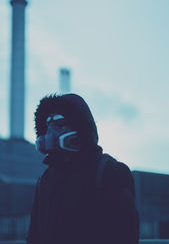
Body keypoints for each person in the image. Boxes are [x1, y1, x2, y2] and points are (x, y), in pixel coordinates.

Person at [27, 93, 139, 244]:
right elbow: (34, 237)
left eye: (59, 121)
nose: (50, 131)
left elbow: (125, 236)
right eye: (47, 124)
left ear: (80, 126)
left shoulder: (110, 172)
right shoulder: (45, 181)